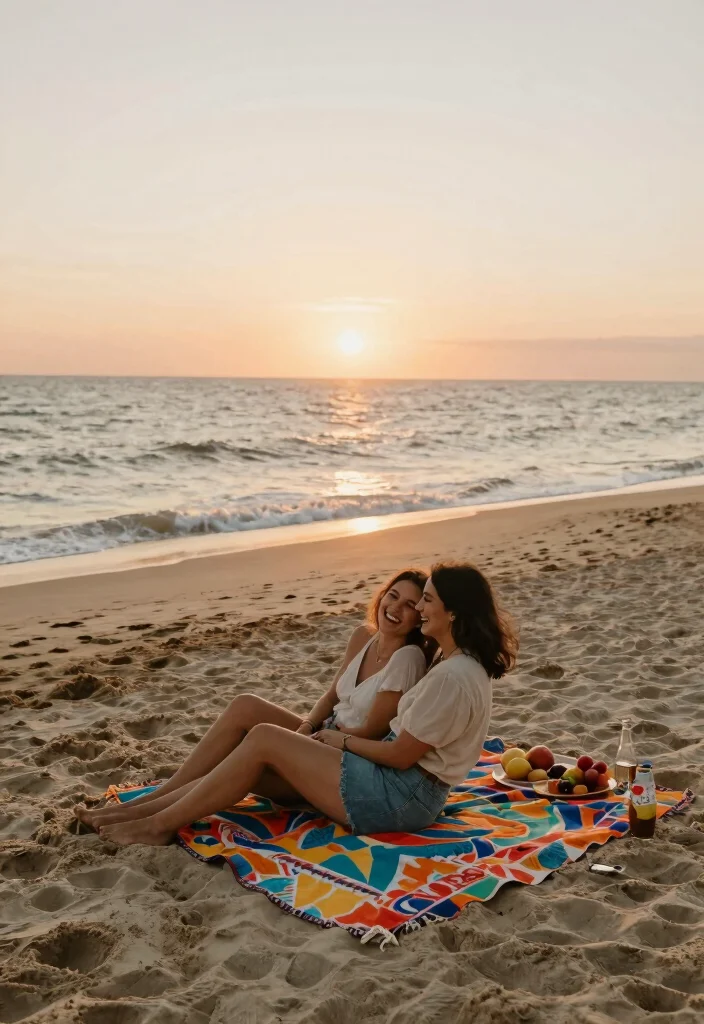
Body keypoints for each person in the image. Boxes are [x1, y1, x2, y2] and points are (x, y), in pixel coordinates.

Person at [94, 562, 517, 845]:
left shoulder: (449, 675)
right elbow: (367, 719)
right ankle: (156, 804)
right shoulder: (455, 664)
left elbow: (400, 755)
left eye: (425, 601)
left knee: (263, 741)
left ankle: (156, 825)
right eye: (410, 599)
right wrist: (319, 730)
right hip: (396, 785)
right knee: (253, 732)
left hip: (401, 800)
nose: (418, 610)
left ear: (454, 613)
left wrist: (338, 742)